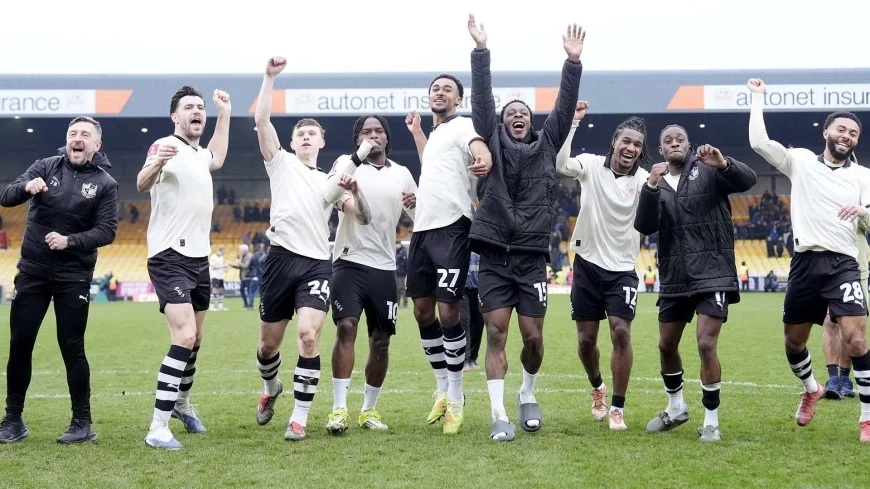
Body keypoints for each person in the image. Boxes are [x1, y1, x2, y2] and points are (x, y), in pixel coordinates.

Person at [465, 15, 584, 441]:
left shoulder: (547, 143)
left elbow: (565, 108)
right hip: (495, 255)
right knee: (495, 333)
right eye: (510, 113)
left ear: (531, 122)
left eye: (523, 113)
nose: (517, 116)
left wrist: (572, 64)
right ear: (502, 122)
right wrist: (481, 52)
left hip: (532, 258)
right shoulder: (490, 138)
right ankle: (498, 415)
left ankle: (527, 392)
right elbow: (481, 103)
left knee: (533, 339)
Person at [253, 56, 372, 442]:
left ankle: (299, 418)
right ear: (291, 143)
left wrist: (356, 190)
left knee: (308, 337)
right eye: (300, 133)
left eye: (312, 133)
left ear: (321, 142)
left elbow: (363, 217)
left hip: (318, 265)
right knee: (267, 346)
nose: (305, 137)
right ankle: (271, 389)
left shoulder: (330, 182)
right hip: (279, 260)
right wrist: (269, 78)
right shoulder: (281, 164)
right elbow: (262, 121)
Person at [747, 77, 870, 442]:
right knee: (793, 343)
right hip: (804, 263)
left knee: (856, 339)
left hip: (843, 264)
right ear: (827, 132)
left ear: (856, 141)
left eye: (854, 132)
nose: (847, 135)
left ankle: (866, 418)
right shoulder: (800, 162)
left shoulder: (864, 176)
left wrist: (863, 210)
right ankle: (812, 388)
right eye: (841, 129)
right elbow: (758, 143)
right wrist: (757, 99)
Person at [635, 123, 756, 442]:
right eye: (667, 141)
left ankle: (712, 421)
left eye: (680, 139)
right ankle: (676, 407)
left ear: (688, 146)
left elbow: (748, 180)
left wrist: (725, 164)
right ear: (660, 150)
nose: (674, 143)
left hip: (713, 271)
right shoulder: (655, 183)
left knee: (705, 343)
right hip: (674, 277)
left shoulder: (709, 168)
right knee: (666, 345)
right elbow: (645, 225)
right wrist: (649, 185)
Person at [0, 116, 118, 444]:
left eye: (84, 135)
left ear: (96, 144)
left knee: (71, 348)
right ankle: (13, 420)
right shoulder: (45, 166)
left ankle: (82, 423)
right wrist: (26, 187)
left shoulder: (105, 184)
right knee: (20, 345)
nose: (76, 139)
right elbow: (6, 196)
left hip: (73, 276)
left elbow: (107, 231)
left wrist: (71, 241)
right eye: (72, 133)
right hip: (33, 272)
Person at [137, 86, 232, 449]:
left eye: (200, 108)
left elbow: (218, 156)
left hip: (198, 258)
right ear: (175, 117)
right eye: (189, 107)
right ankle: (157, 428)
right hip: (168, 256)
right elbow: (142, 182)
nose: (197, 112)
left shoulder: (198, 153)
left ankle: (181, 402)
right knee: (184, 337)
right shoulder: (164, 145)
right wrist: (159, 161)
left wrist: (224, 112)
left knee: (197, 339)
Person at [403, 67, 493, 435]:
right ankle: (442, 386)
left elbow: (476, 146)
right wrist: (418, 133)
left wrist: (483, 157)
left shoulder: (462, 125)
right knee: (423, 312)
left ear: (458, 99)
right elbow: (432, 165)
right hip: (421, 230)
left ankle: (456, 395)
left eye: (447, 89)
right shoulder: (438, 132)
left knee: (448, 310)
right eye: (435, 89)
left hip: (453, 228)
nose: (440, 93)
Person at [555, 102, 651, 432]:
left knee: (621, 332)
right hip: (586, 265)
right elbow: (561, 163)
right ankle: (598, 388)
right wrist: (573, 123)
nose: (631, 148)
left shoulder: (643, 180)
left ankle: (618, 408)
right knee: (585, 342)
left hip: (623, 268)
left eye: (637, 144)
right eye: (626, 141)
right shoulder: (592, 167)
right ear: (614, 142)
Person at [325, 114, 418, 435]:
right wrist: (356, 159)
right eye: (366, 132)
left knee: (381, 341)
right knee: (346, 327)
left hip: (384, 267)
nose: (373, 136)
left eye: (378, 131)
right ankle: (338, 410)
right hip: (348, 262)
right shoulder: (346, 164)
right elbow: (332, 193)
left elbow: (419, 216)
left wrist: (416, 203)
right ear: (357, 140)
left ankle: (368, 410)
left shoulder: (402, 174)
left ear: (387, 138)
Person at [822, 222, 866, 399]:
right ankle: (833, 379)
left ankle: (844, 378)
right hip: (827, 269)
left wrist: (860, 211)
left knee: (852, 328)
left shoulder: (862, 195)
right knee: (829, 323)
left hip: (856, 270)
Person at [461, 251, 484, 372]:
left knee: (478, 322)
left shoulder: (480, 242)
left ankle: (473, 358)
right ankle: (465, 359)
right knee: (464, 322)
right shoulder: (461, 240)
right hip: (462, 287)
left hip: (479, 287)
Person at [232, 244, 253, 311]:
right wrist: (232, 265)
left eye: (241, 250)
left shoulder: (249, 256)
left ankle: (250, 305)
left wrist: (238, 262)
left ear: (244, 250)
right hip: (243, 277)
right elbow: (241, 267)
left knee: (249, 291)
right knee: (242, 290)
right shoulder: (243, 256)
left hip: (248, 277)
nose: (240, 251)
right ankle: (246, 304)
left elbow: (245, 266)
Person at [209, 246, 229, 311]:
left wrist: (225, 269)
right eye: (224, 251)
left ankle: (220, 306)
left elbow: (220, 267)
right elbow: (213, 267)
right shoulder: (213, 257)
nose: (225, 252)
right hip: (215, 276)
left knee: (220, 291)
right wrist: (223, 266)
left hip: (220, 276)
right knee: (214, 291)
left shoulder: (221, 258)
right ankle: (211, 306)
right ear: (222, 250)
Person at [395, 241, 409, 308]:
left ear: (399, 244)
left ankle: (405, 303)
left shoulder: (403, 252)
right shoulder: (396, 252)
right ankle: (398, 303)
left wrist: (405, 272)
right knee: (397, 289)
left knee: (402, 288)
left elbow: (406, 263)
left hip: (401, 273)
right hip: (396, 273)